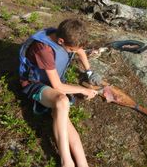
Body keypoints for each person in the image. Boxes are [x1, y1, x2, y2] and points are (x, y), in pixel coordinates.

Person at [19, 18, 101, 167]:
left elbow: (80, 50)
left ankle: (83, 163)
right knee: (62, 102)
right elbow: (57, 86)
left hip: (53, 82)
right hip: (35, 84)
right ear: (62, 41)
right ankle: (66, 161)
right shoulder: (43, 49)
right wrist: (83, 90)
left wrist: (89, 71)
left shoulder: (63, 36)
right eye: (71, 50)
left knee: (62, 115)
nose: (74, 52)